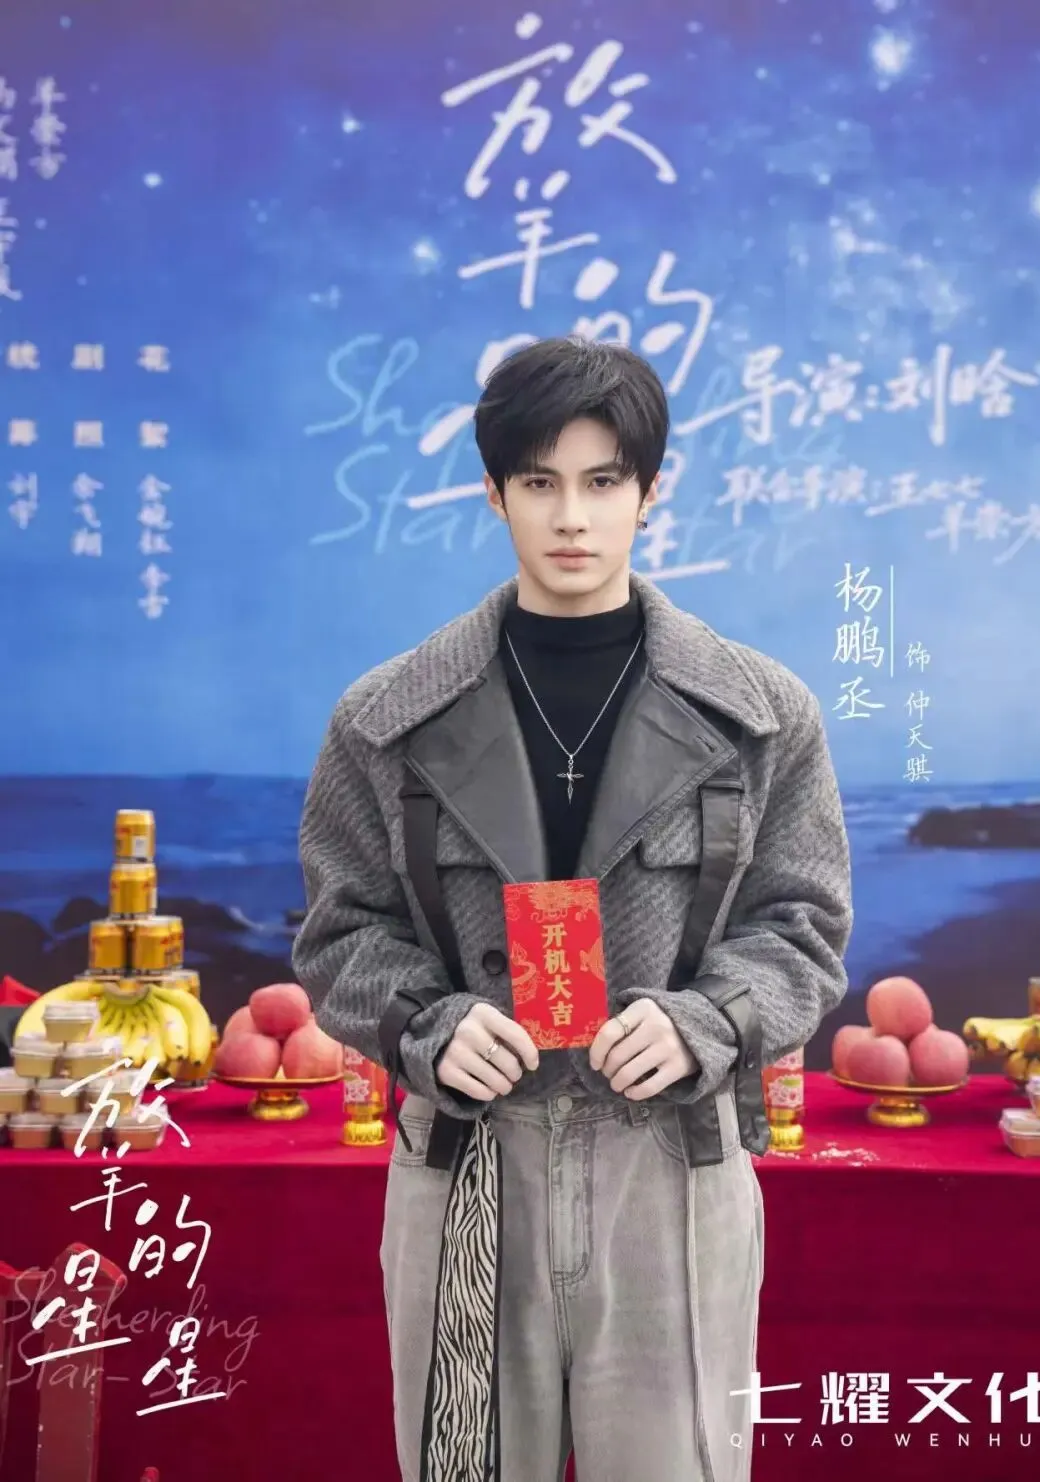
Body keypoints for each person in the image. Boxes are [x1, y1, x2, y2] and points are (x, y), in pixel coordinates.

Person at [292, 337, 853, 1482]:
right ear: (493, 494)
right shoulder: (387, 717)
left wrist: (709, 1021)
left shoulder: (760, 714)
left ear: (652, 493)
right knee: (463, 1465)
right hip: (466, 1158)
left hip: (673, 1155)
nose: (572, 517)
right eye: (539, 482)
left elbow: (803, 924)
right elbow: (341, 929)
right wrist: (428, 1024)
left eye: (604, 481)